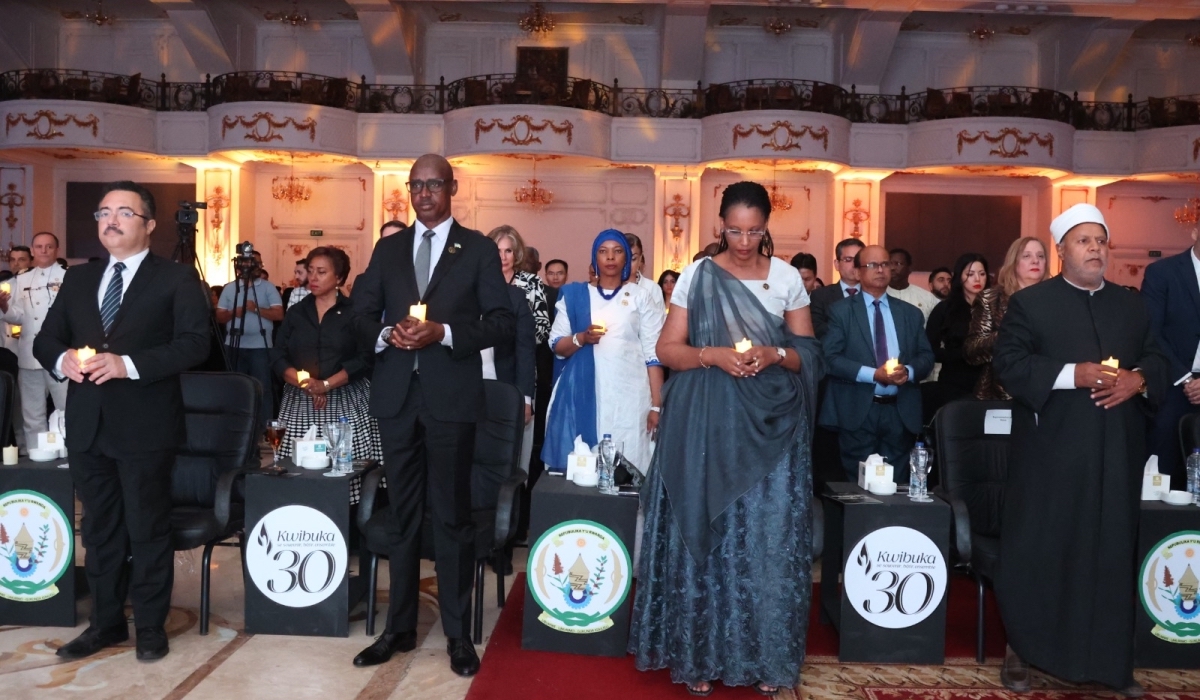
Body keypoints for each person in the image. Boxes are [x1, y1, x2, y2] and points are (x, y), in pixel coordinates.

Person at [630, 181, 823, 696]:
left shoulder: (786, 277)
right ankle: (699, 653)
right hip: (706, 422)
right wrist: (711, 355)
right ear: (720, 226)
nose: (743, 241)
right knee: (706, 533)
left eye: (754, 231)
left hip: (771, 427)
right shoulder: (698, 275)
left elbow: (808, 354)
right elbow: (668, 349)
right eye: (734, 231)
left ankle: (764, 657)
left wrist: (774, 353)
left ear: (766, 228)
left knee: (766, 541)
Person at [991, 203, 1168, 697]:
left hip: (1117, 456)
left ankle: (1109, 664)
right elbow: (1010, 364)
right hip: (1053, 456)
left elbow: (1158, 356)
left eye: (1101, 240)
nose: (1095, 249)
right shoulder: (1032, 304)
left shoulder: (1131, 304)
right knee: (1045, 550)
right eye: (1084, 240)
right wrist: (1074, 374)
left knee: (1110, 555)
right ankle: (1023, 648)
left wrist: (1139, 379)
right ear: (1061, 250)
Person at [33, 181, 211, 661]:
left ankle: (150, 626)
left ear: (149, 224)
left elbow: (196, 344)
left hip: (146, 426)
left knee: (146, 527)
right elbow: (45, 340)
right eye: (103, 212)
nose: (110, 220)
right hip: (88, 424)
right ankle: (106, 623)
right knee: (99, 530)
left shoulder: (175, 278)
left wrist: (127, 364)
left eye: (124, 212)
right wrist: (62, 359)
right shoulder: (78, 278)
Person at [349, 154, 512, 677]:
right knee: (401, 515)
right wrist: (385, 334)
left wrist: (444, 332)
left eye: (433, 184)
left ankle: (458, 635)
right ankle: (398, 628)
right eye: (416, 185)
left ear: (452, 188)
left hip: (451, 399)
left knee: (451, 516)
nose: (423, 194)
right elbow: (359, 314)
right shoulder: (389, 248)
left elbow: (502, 321)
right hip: (397, 397)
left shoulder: (477, 248)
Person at [543, 230, 665, 476]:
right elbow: (556, 344)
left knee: (630, 462)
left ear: (627, 258)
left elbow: (653, 355)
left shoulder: (641, 297)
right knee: (585, 466)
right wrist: (582, 338)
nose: (610, 257)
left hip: (630, 395)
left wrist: (656, 406)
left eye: (617, 251)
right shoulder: (575, 295)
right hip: (584, 391)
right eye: (603, 251)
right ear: (594, 258)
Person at [820, 245, 934, 481]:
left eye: (885, 264)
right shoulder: (841, 312)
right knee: (859, 484)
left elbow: (926, 357)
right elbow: (830, 358)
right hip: (859, 410)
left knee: (896, 482)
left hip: (900, 411)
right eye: (872, 265)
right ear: (858, 272)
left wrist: (908, 371)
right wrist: (873, 375)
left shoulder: (910, 314)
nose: (880, 270)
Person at [272, 247, 381, 463]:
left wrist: (326, 385)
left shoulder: (355, 313)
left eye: (321, 272)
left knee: (346, 466)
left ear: (339, 278)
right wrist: (307, 384)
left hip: (346, 399)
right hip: (300, 399)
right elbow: (278, 355)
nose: (313, 277)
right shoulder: (296, 312)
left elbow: (365, 358)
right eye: (310, 270)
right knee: (297, 466)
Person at [486, 225, 549, 478]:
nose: (503, 257)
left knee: (514, 447)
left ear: (516, 253)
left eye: (508, 251)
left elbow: (540, 330)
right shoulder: (479, 282)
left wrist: (513, 332)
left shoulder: (529, 283)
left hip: (517, 364)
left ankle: (514, 491)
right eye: (497, 250)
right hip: (483, 367)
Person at [1141, 226, 1200, 482]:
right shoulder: (1163, 272)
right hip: (1172, 384)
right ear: (1195, 232)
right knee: (1164, 468)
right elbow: (1150, 332)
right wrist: (1186, 378)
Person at [0, 231, 68, 449]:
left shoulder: (69, 276)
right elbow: (18, 316)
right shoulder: (22, 279)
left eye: (49, 246)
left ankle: (71, 456)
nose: (44, 250)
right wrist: (4, 307)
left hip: (60, 354)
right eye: (39, 247)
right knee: (32, 413)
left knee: (66, 409)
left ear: (57, 250)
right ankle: (36, 456)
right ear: (33, 251)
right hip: (29, 354)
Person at [964, 238, 1048, 400]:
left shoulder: (1056, 299)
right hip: (1002, 394)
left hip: (1046, 392)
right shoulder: (990, 299)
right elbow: (972, 351)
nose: (1035, 261)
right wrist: (1008, 334)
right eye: (1027, 256)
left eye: (1040, 256)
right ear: (1014, 262)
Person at [215, 255, 284, 433]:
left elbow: (279, 314)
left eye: (256, 263)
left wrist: (256, 309)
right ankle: (236, 429)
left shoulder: (268, 287)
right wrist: (234, 313)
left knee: (263, 388)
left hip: (261, 346)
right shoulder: (230, 288)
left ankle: (264, 431)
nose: (252, 267)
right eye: (248, 263)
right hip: (234, 345)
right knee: (235, 387)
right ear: (239, 266)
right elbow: (219, 316)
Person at [924, 253, 989, 419]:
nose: (977, 279)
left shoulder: (994, 308)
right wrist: (963, 354)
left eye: (982, 274)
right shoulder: (945, 309)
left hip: (988, 382)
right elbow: (929, 348)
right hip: (953, 381)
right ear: (960, 277)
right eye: (970, 274)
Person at [810, 238, 864, 338]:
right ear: (837, 264)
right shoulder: (820, 296)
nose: (854, 265)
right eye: (848, 260)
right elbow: (817, 329)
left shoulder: (873, 294)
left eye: (858, 260)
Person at [887, 248, 939, 324]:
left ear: (909, 268)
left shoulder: (927, 298)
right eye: (889, 264)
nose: (892, 268)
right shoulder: (878, 296)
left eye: (898, 264)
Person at [625, 233, 667, 310]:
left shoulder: (652, 288)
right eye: (624, 258)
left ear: (640, 258)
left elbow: (659, 317)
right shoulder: (608, 287)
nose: (628, 264)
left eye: (633, 259)